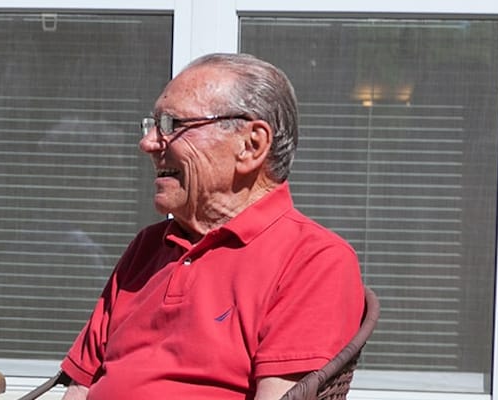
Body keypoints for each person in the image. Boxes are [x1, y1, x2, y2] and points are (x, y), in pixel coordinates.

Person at [59, 53, 366, 399]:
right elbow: (79, 387)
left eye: (173, 125)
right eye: (153, 124)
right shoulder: (148, 247)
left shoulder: (313, 260)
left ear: (251, 146)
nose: (147, 144)